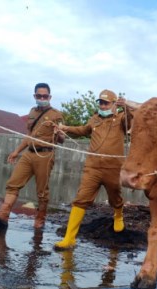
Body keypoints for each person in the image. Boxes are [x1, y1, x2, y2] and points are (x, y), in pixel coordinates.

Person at [54, 89, 131, 250]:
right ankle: (69, 239)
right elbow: (83, 130)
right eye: (101, 103)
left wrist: (127, 107)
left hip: (113, 167)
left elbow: (134, 121)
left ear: (114, 104)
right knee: (81, 198)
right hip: (93, 167)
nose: (102, 106)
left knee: (115, 196)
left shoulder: (122, 118)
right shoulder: (94, 119)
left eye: (106, 103)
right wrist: (65, 128)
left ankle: (118, 216)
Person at [0, 83, 64, 229]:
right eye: (39, 95)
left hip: (45, 155)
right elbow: (29, 135)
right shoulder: (32, 112)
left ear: (50, 97)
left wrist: (59, 133)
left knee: (42, 191)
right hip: (29, 154)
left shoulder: (56, 114)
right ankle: (3, 214)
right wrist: (17, 151)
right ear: (34, 96)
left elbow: (62, 139)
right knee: (13, 183)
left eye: (45, 96)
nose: (42, 98)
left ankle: (40, 218)